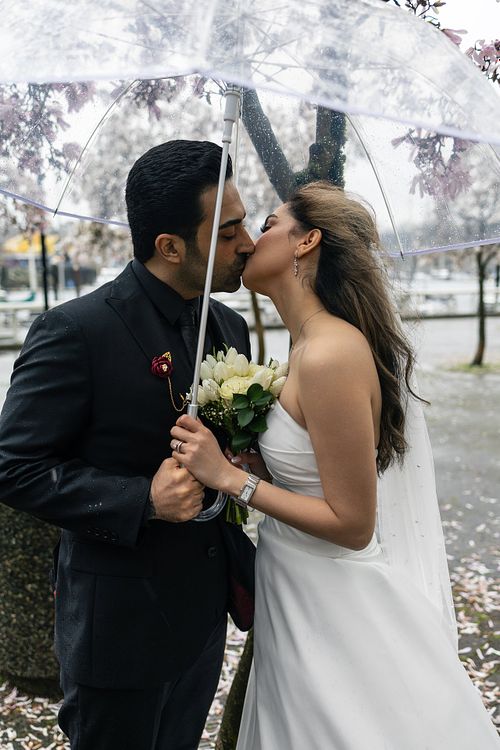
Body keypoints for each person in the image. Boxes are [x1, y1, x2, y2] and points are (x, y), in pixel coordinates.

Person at [170, 181, 500, 749]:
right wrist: (265, 469)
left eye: (269, 225)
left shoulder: (328, 353)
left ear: (307, 242)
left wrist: (232, 480)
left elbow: (352, 524)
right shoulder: (304, 347)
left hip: (339, 609)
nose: (249, 242)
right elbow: (319, 481)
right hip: (297, 593)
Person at [0, 140, 255, 750]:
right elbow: (13, 467)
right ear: (170, 247)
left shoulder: (230, 327)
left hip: (200, 620)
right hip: (116, 629)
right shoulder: (76, 331)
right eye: (227, 230)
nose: (247, 242)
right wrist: (142, 499)